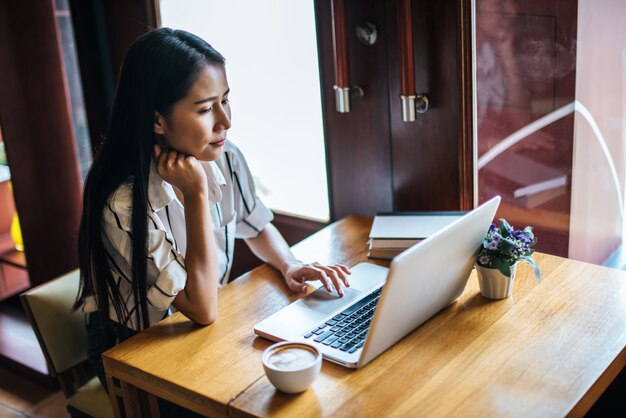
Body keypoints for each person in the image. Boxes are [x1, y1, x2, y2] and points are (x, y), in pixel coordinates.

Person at [75, 27, 350, 415]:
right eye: (205, 109)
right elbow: (201, 308)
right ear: (157, 120)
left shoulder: (224, 153)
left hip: (200, 327)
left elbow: (254, 225)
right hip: (135, 346)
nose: (225, 121)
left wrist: (289, 265)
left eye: (226, 100)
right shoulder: (121, 204)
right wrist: (196, 194)